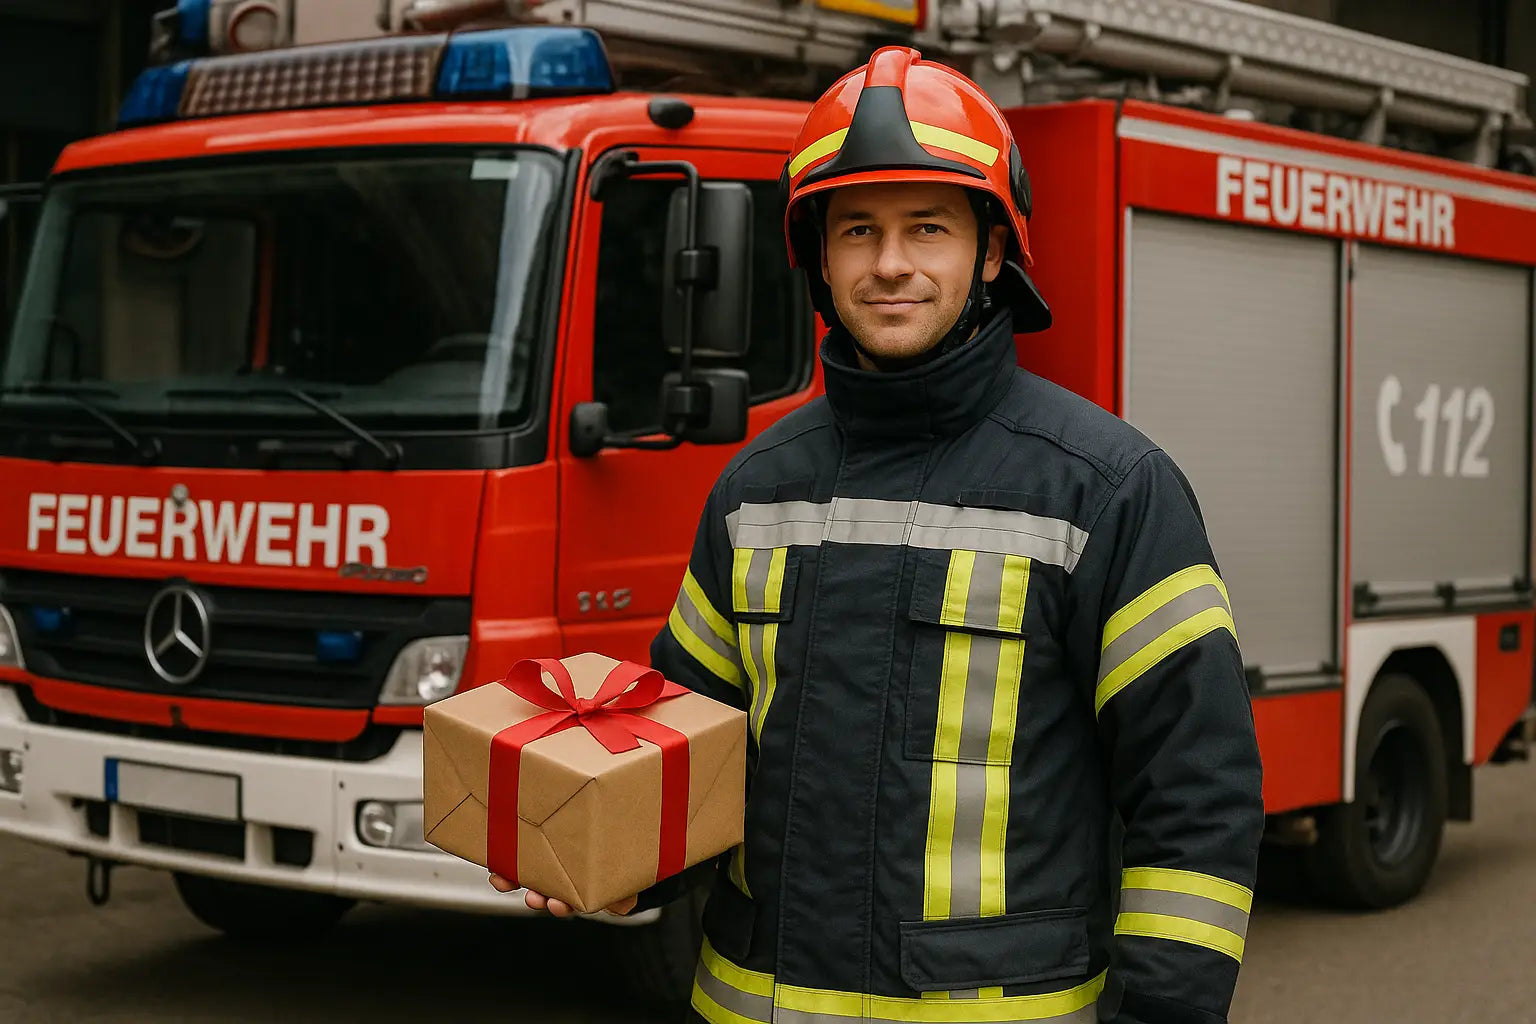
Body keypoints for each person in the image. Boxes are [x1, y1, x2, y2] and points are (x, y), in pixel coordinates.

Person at [498, 44, 1265, 1024]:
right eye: (857, 229)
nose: (891, 263)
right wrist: (609, 861)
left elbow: (1196, 798)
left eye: (927, 228)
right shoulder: (753, 492)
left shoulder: (1107, 491)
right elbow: (688, 753)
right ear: (819, 254)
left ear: (992, 250)